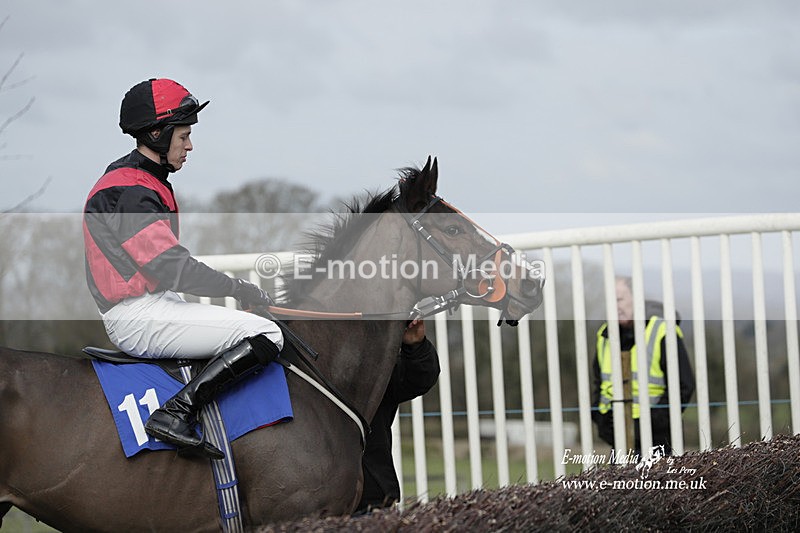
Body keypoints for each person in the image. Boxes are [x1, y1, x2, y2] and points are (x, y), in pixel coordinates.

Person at [84, 78, 283, 460]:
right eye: (183, 136)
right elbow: (173, 267)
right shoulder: (130, 190)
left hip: (150, 302)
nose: (189, 145)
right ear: (157, 134)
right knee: (266, 334)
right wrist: (240, 289)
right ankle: (177, 412)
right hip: (137, 314)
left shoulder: (137, 179)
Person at [591, 277, 695, 455]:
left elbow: (683, 386)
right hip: (618, 440)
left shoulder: (662, 331)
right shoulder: (604, 336)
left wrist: (648, 424)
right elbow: (599, 386)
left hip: (658, 442)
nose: (615, 306)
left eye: (620, 299)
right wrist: (603, 424)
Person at [355, 319, 440, 514]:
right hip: (308, 503)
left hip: (370, 502)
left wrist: (415, 346)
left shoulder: (371, 362)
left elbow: (418, 379)